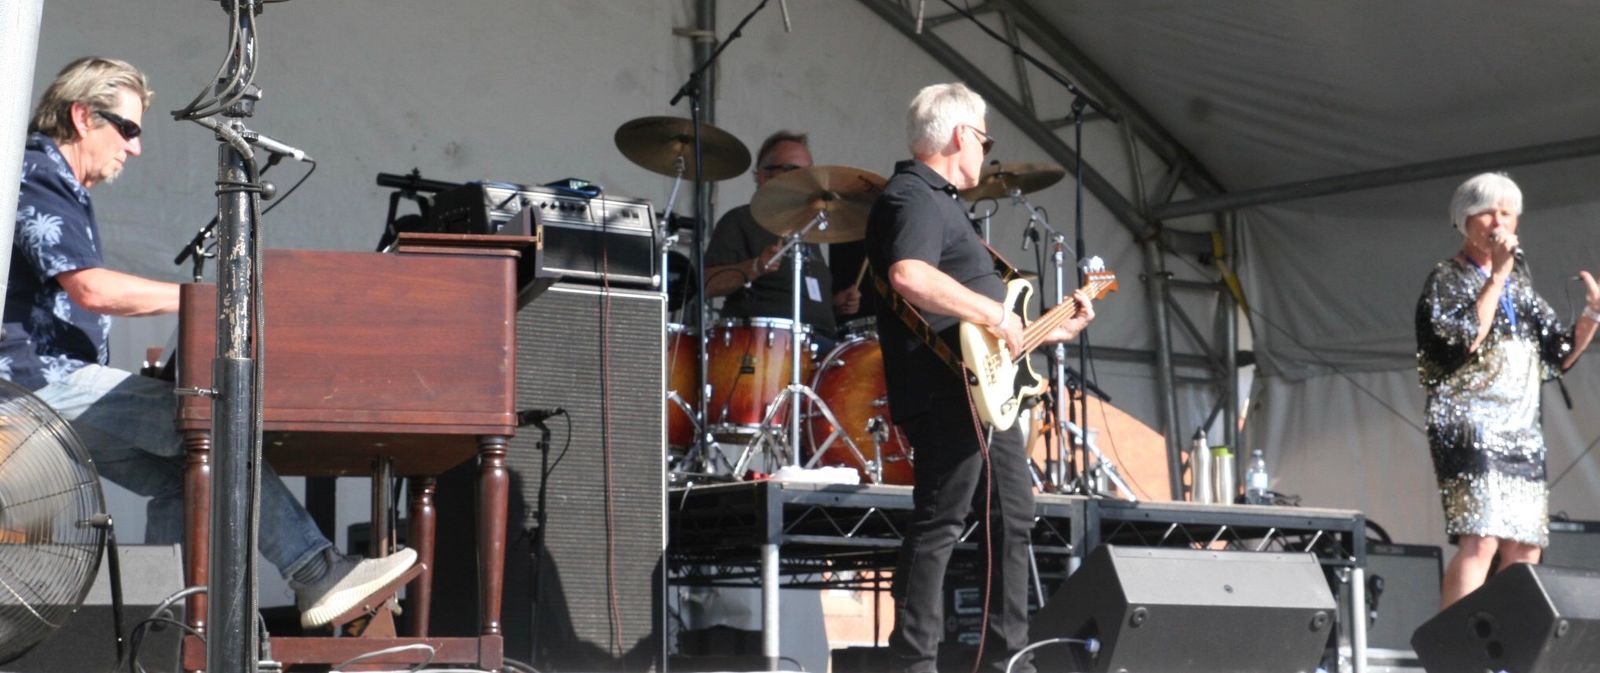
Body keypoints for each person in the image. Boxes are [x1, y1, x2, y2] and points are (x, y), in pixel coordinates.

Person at [6, 56, 416, 629]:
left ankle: (163, 631)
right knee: (217, 424)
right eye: (127, 128)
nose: (135, 148)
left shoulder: (56, 181)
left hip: (46, 392)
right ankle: (317, 572)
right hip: (35, 386)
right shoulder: (37, 172)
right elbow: (93, 290)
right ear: (81, 116)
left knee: (186, 474)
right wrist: (207, 298)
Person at [866, 82, 1094, 673]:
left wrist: (1047, 330)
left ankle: (1005, 660)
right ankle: (913, 663)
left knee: (1011, 517)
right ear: (961, 134)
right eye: (985, 141)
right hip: (947, 389)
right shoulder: (913, 195)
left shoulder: (942, 203)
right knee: (941, 519)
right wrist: (995, 312)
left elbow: (989, 332)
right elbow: (910, 275)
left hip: (983, 391)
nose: (986, 154)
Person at [1415, 172, 1600, 608]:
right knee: (1482, 538)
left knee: (1526, 547)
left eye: (1507, 213)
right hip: (1469, 423)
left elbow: (1558, 354)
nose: (1498, 222)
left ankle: (1508, 640)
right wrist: (1497, 274)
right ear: (1464, 221)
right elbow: (1462, 339)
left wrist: (1592, 316)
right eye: (1486, 213)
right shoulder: (1447, 278)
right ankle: (1458, 642)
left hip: (1521, 430)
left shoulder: (1521, 285)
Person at [703, 131, 859, 340]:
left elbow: (796, 298)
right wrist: (755, 267)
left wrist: (835, 304)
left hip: (820, 342)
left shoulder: (808, 225)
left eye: (808, 172)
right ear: (764, 176)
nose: (805, 180)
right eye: (794, 171)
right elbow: (706, 284)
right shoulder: (740, 220)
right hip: (766, 343)